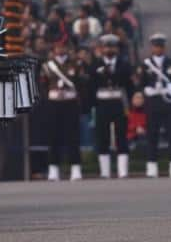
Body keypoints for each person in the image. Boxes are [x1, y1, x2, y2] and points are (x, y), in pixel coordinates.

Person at [138, 33, 171, 178]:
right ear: (152, 47)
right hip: (153, 103)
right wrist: (147, 90)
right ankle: (152, 166)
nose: (158, 49)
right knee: (152, 135)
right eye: (156, 46)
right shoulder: (146, 64)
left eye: (160, 46)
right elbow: (142, 83)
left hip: (168, 102)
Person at [90, 34, 133, 179]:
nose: (109, 49)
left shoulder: (124, 64)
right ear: (102, 48)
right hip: (102, 102)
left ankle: (123, 171)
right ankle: (105, 171)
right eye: (106, 46)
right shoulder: (95, 64)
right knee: (102, 136)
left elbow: (128, 84)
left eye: (112, 46)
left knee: (122, 135)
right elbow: (91, 86)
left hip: (119, 102)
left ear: (117, 49)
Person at [42, 41, 83, 181]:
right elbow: (44, 85)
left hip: (70, 102)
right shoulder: (47, 66)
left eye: (63, 47)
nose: (61, 49)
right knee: (53, 136)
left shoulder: (75, 64)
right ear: (53, 49)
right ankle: (53, 168)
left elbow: (79, 83)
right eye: (58, 47)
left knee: (73, 136)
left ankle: (76, 168)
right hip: (54, 103)